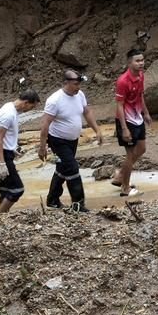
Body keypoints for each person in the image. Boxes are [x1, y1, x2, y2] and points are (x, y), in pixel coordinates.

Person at [37, 70, 104, 211]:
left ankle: (52, 200)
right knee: (72, 168)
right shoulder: (54, 100)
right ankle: (78, 205)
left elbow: (87, 112)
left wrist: (97, 130)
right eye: (75, 84)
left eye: (79, 84)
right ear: (65, 83)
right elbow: (45, 125)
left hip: (72, 140)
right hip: (57, 140)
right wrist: (42, 147)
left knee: (63, 168)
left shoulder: (79, 95)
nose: (78, 87)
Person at [0, 89, 40, 213]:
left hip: (2, 151)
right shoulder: (9, 114)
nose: (30, 109)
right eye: (32, 107)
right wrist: (2, 163)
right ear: (26, 102)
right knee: (17, 189)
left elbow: (3, 137)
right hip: (0, 153)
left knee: (5, 188)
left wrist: (12, 148)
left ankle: (4, 216)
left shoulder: (11, 108)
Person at [112, 48, 151, 197]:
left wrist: (146, 113)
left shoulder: (140, 76)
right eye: (137, 61)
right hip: (126, 120)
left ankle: (121, 174)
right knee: (129, 156)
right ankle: (125, 188)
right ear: (129, 63)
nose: (141, 63)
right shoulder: (122, 81)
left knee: (141, 149)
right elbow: (119, 105)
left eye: (142, 60)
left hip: (137, 117)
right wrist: (124, 128)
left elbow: (140, 95)